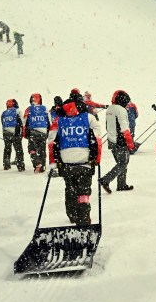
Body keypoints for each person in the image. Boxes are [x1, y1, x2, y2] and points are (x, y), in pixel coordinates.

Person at [48, 91, 103, 226]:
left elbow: (51, 141)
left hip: (66, 162)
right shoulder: (89, 117)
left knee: (70, 188)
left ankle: (72, 214)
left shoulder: (58, 119)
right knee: (83, 191)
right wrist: (97, 159)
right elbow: (97, 139)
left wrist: (54, 162)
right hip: (84, 161)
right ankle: (84, 218)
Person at [99, 90, 136, 193]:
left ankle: (122, 185)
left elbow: (107, 125)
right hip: (121, 140)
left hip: (111, 140)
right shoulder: (121, 110)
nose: (128, 104)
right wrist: (130, 142)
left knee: (121, 163)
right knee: (123, 163)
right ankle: (106, 180)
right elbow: (124, 128)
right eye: (127, 101)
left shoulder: (110, 109)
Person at [23, 93, 51, 173]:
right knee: (42, 150)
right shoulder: (45, 108)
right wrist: (48, 132)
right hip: (43, 132)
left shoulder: (29, 109)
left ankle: (37, 163)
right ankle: (43, 167)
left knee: (31, 149)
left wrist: (25, 133)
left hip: (33, 131)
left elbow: (24, 122)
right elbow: (49, 121)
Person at [1, 98, 25, 171]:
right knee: (18, 150)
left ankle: (6, 164)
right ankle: (20, 166)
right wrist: (21, 133)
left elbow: (2, 123)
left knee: (7, 149)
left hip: (5, 133)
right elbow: (22, 122)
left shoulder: (4, 113)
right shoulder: (17, 111)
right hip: (15, 132)